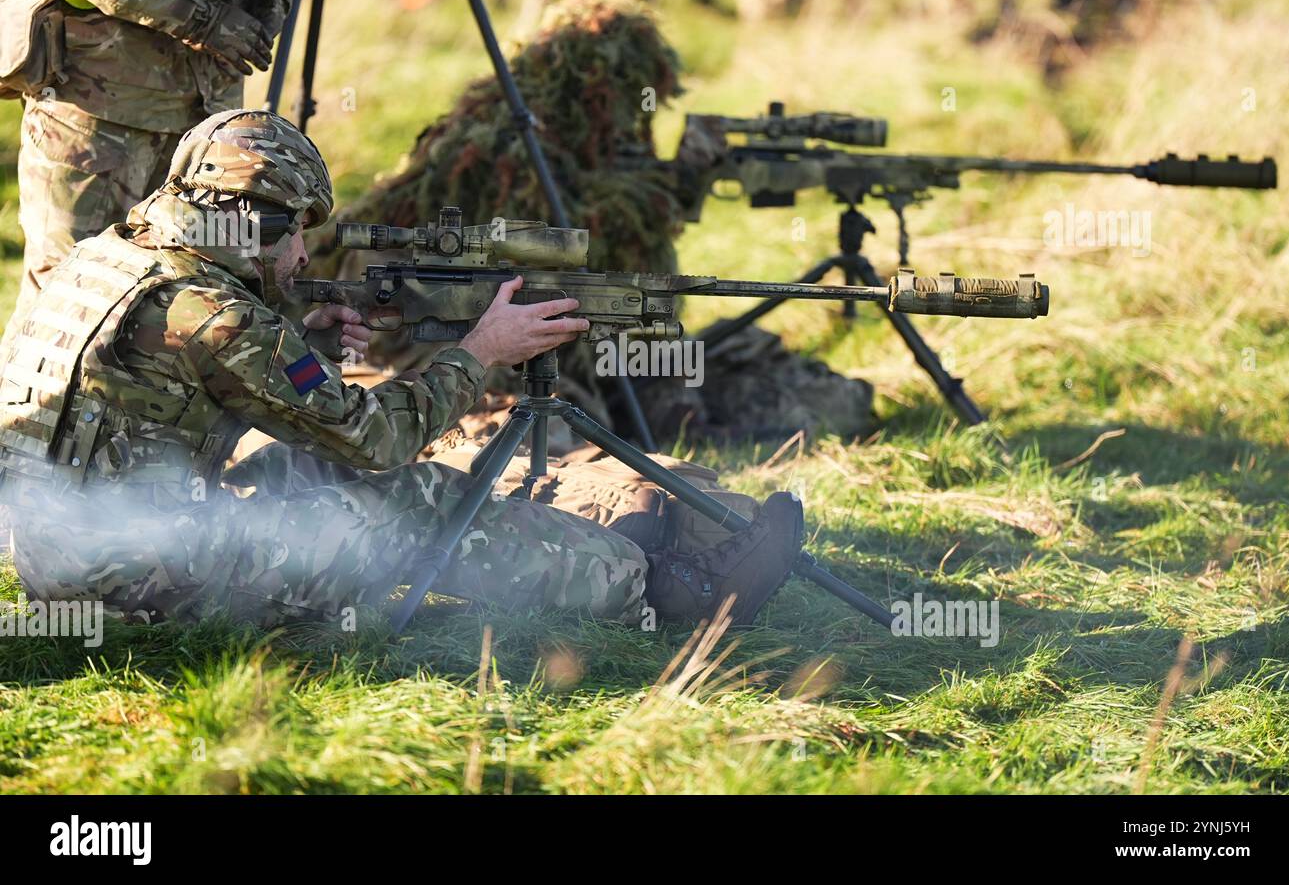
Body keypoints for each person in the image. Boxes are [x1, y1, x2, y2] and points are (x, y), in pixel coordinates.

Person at [0, 109, 804, 629]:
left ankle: (624, 553)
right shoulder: (218, 313)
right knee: (402, 505)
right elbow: (378, 440)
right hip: (139, 590)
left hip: (60, 563)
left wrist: (298, 348)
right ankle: (666, 592)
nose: (305, 253)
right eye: (295, 235)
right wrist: (481, 352)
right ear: (252, 224)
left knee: (307, 465)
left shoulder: (103, 260)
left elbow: (158, 394)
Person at [0, 0, 289, 319]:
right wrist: (204, 20)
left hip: (206, 116)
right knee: (71, 288)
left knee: (193, 290)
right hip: (99, 106)